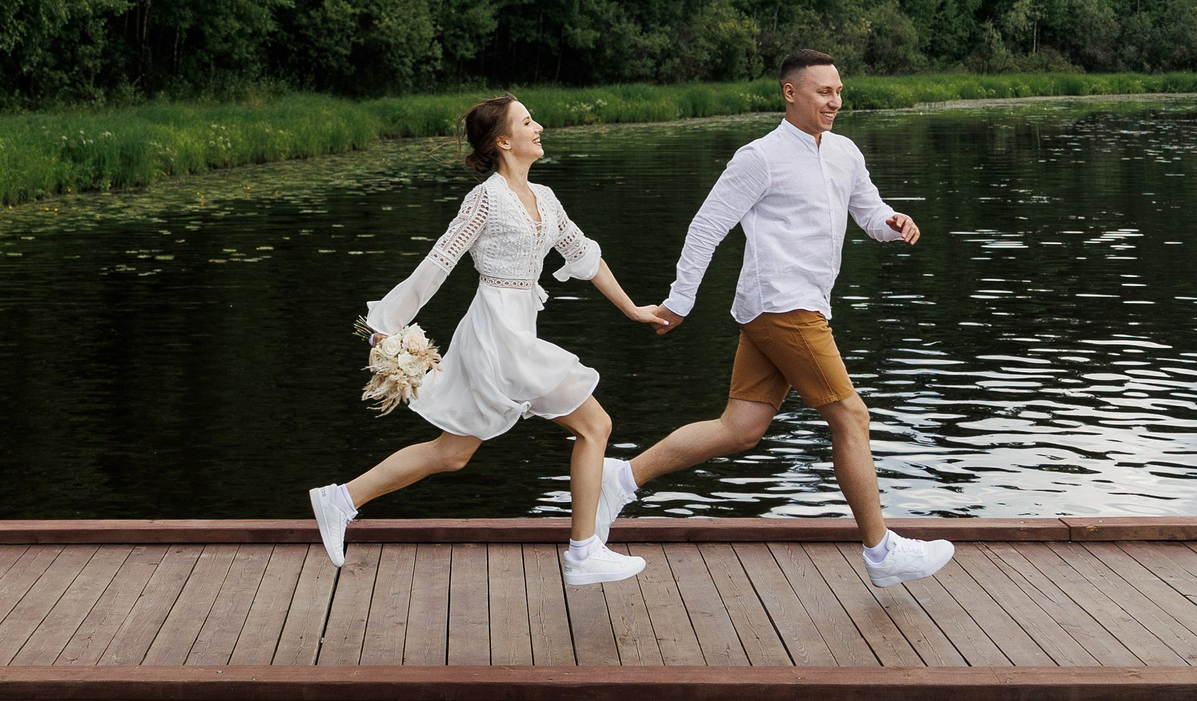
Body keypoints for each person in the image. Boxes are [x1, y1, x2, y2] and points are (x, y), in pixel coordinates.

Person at [597, 50, 954, 588]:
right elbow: (706, 227)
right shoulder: (758, 157)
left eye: (838, 91)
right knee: (852, 417)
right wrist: (680, 301)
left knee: (739, 429)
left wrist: (891, 222)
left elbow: (867, 209)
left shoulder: (845, 153)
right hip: (784, 305)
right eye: (823, 92)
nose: (835, 101)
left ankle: (619, 478)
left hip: (795, 305)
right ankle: (882, 552)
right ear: (791, 93)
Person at [311, 94, 664, 587]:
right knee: (594, 426)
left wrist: (632, 309)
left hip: (516, 329)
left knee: (453, 453)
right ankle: (584, 551)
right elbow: (438, 263)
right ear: (503, 141)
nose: (538, 126)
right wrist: (386, 323)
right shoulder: (486, 198)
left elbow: (584, 256)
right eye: (526, 121)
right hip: (496, 333)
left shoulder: (546, 200)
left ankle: (339, 499)